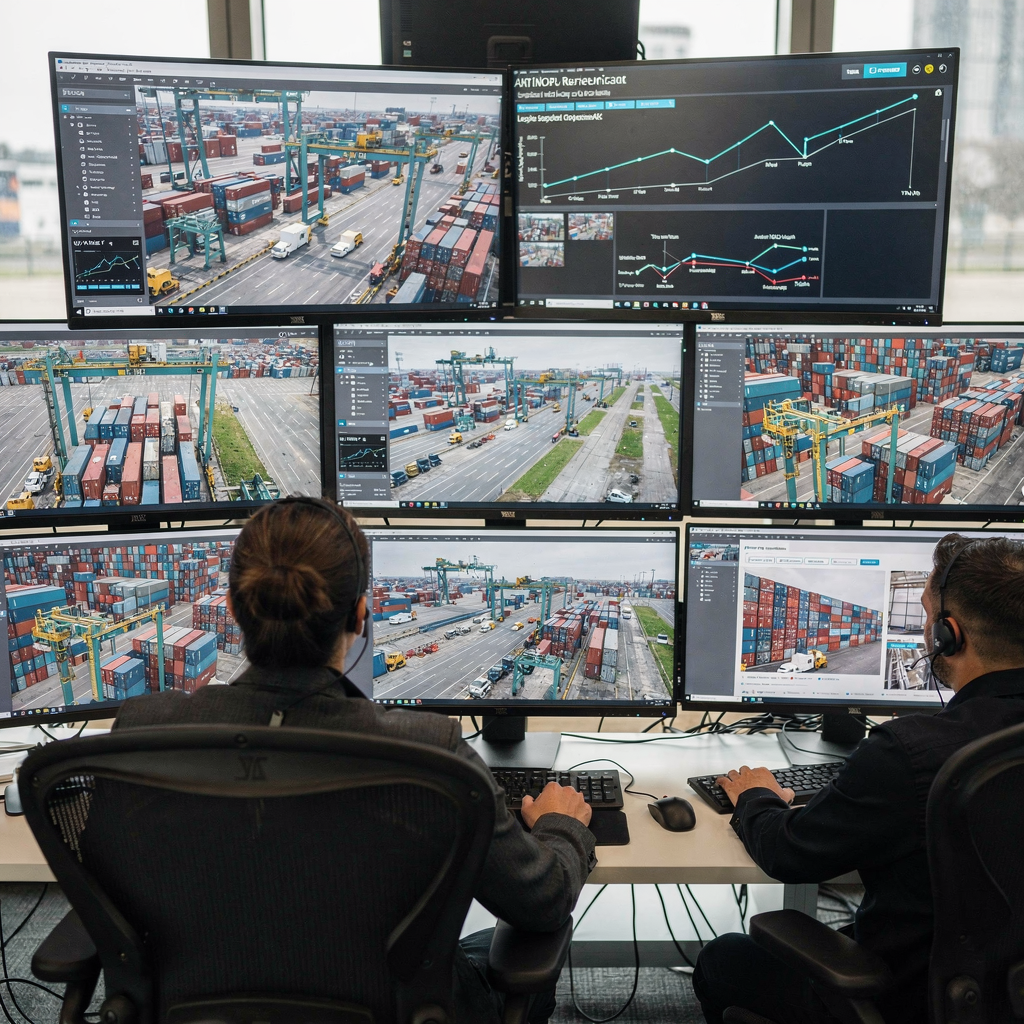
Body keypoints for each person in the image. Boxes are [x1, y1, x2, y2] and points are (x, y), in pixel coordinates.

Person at [113, 496, 595, 1024]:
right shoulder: (429, 755)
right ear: (362, 615)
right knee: (492, 955)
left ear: (232, 610)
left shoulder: (141, 736)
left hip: (197, 1006)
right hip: (393, 1008)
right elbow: (542, 899)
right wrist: (559, 826)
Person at [693, 533, 1024, 1024]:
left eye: (928, 615)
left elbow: (790, 853)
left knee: (723, 961)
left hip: (912, 998)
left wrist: (757, 796)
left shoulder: (910, 752)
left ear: (948, 636)